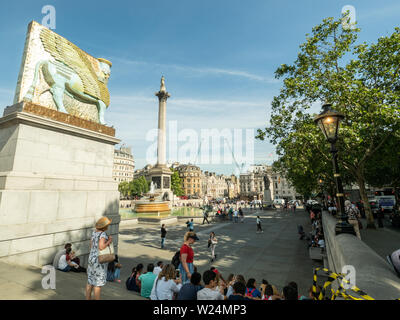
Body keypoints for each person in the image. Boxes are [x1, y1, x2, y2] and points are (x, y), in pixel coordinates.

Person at [86, 216, 113, 300]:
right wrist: (109, 241)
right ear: (105, 226)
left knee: (90, 281)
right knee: (97, 285)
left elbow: (91, 246)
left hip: (91, 258)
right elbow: (101, 247)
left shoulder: (94, 233)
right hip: (99, 261)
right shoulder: (103, 234)